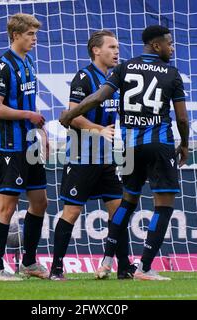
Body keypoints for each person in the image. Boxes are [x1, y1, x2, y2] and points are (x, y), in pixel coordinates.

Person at [60, 25, 189, 281]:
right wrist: (184, 144)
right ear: (156, 45)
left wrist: (69, 114)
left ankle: (106, 261)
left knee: (127, 203)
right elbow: (182, 118)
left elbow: (98, 97)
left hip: (130, 148)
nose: (172, 48)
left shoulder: (124, 68)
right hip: (159, 144)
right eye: (169, 43)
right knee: (163, 206)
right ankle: (145, 267)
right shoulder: (171, 73)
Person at [49, 30, 136, 281]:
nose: (116, 51)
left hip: (106, 160)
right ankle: (56, 268)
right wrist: (99, 129)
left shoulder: (114, 79)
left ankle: (124, 267)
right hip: (81, 158)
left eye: (117, 47)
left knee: (118, 212)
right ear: (96, 50)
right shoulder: (84, 77)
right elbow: (71, 116)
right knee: (72, 213)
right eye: (111, 47)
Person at [0, 13, 49, 281]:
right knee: (7, 206)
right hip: (10, 146)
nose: (34, 39)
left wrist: (41, 130)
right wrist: (28, 117)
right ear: (16, 35)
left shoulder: (29, 62)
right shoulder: (3, 66)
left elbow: (29, 104)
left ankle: (30, 262)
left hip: (30, 144)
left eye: (35, 34)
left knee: (40, 202)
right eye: (30, 34)